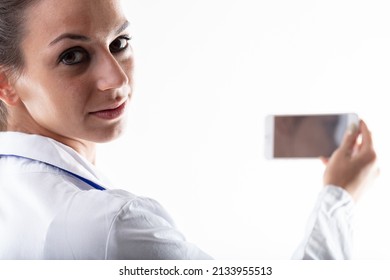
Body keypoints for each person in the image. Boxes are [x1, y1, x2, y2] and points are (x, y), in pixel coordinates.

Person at [0, 0, 377, 260]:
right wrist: (339, 197)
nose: (115, 78)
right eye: (73, 56)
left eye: (120, 43)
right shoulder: (115, 224)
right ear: (6, 84)